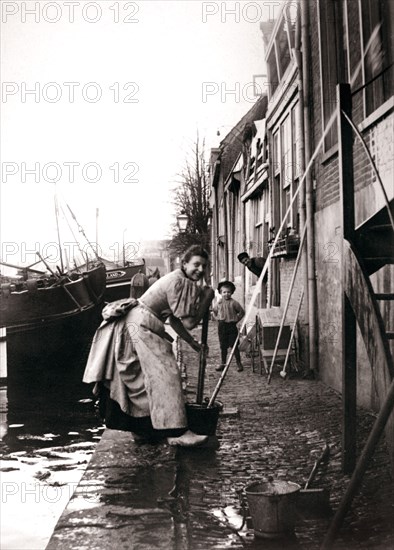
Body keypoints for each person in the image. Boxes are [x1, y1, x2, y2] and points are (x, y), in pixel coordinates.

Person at [83, 245, 214, 447]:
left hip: (139, 321)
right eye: (196, 264)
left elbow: (176, 320)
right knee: (166, 375)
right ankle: (177, 432)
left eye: (204, 266)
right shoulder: (178, 281)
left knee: (142, 379)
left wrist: (191, 342)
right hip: (141, 323)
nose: (200, 269)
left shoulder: (179, 280)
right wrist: (206, 297)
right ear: (185, 263)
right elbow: (189, 322)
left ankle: (142, 429)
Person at [212, 281, 245, 372]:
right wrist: (217, 318)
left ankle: (239, 363)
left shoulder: (234, 303)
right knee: (223, 346)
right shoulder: (218, 303)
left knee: (234, 346)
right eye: (224, 292)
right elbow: (214, 311)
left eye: (228, 292)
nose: (226, 294)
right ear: (220, 292)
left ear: (231, 292)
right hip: (222, 326)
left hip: (231, 326)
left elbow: (242, 312)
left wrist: (236, 320)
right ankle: (223, 363)